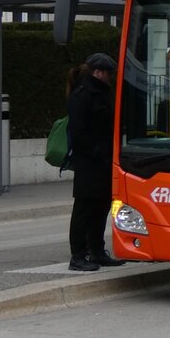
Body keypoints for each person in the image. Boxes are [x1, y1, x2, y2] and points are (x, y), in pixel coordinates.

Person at [66, 53, 126, 271]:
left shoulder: (103, 93)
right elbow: (79, 132)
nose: (110, 77)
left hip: (104, 162)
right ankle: (78, 255)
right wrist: (96, 151)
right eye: (109, 73)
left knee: (102, 207)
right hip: (89, 163)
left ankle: (97, 251)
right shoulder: (82, 95)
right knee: (84, 209)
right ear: (98, 72)